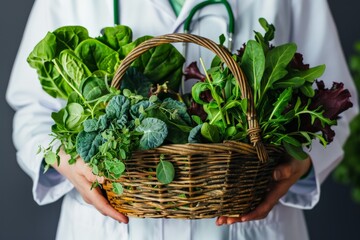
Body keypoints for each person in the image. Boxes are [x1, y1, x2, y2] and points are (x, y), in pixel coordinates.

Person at [6, 0, 359, 239]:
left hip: (242, 225)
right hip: (112, 227)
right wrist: (68, 162)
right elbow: (32, 109)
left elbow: (338, 105)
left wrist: (300, 162)